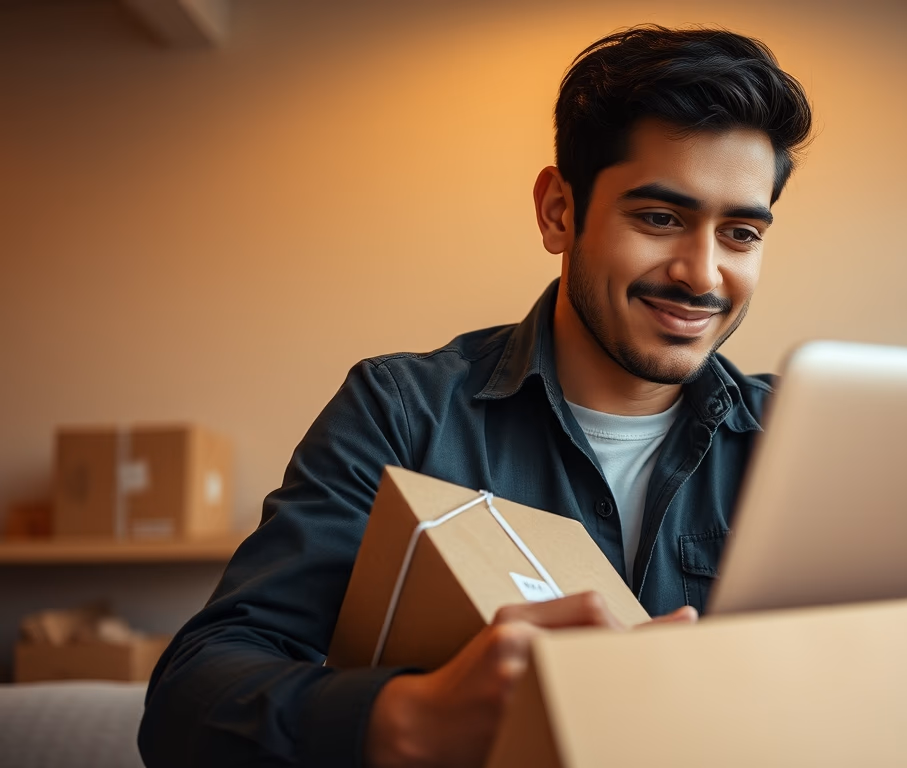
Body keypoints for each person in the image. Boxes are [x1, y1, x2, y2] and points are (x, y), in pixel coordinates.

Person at [139, 25, 812, 768]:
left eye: (741, 233)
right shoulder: (402, 413)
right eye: (659, 219)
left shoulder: (804, 440)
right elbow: (190, 697)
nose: (703, 275)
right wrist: (404, 716)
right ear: (559, 211)